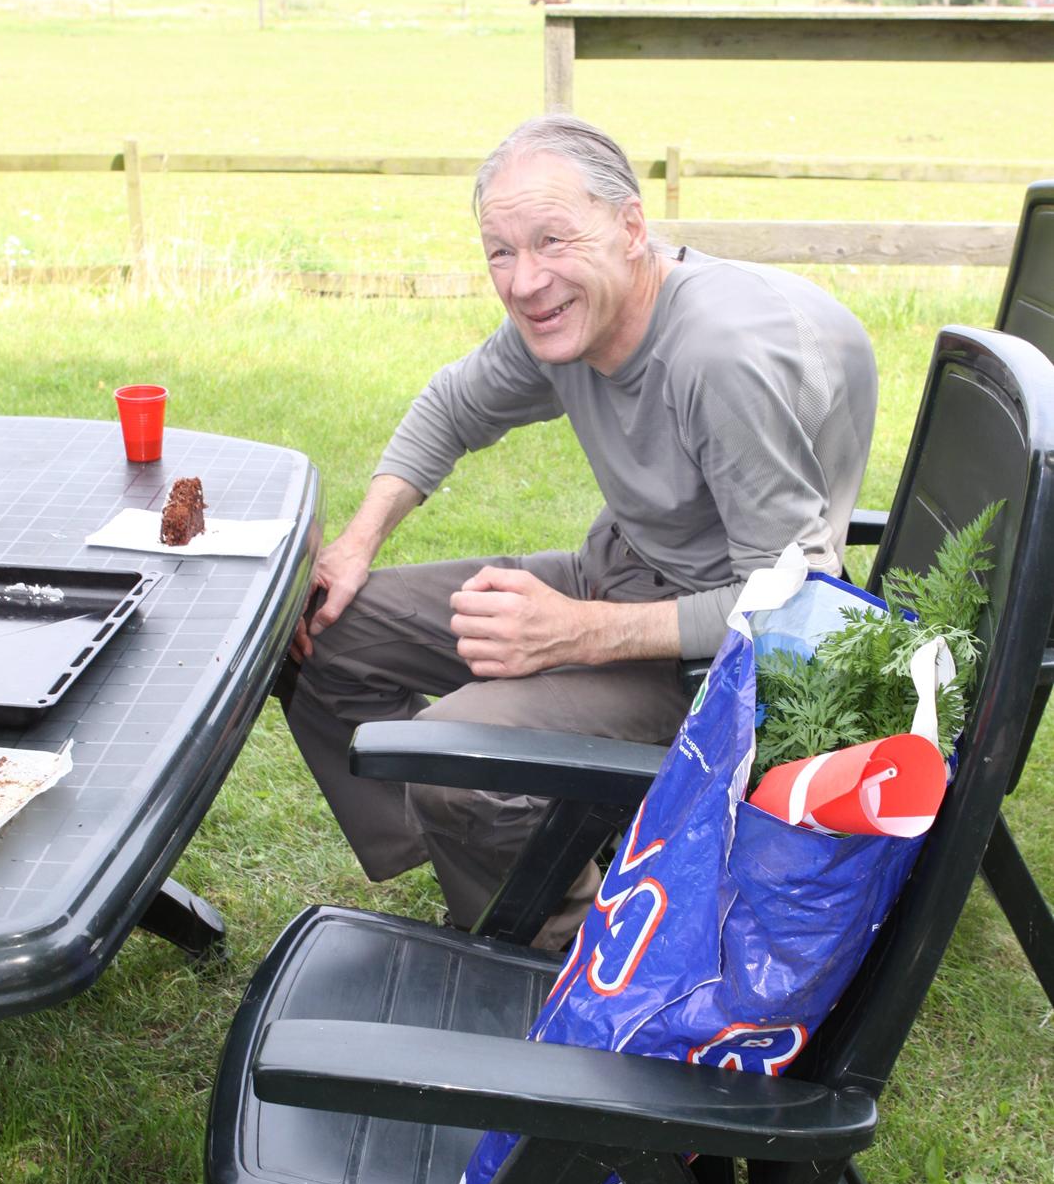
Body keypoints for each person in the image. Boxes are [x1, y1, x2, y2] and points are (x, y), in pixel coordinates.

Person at [283, 114, 878, 946]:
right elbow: (451, 407)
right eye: (501, 250)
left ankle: (554, 943)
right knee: (319, 637)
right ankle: (503, 853)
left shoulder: (718, 355)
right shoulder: (565, 319)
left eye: (553, 240)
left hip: (713, 661)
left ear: (632, 228)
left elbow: (792, 605)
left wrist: (576, 635)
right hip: (617, 570)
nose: (525, 281)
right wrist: (354, 545)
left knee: (453, 757)